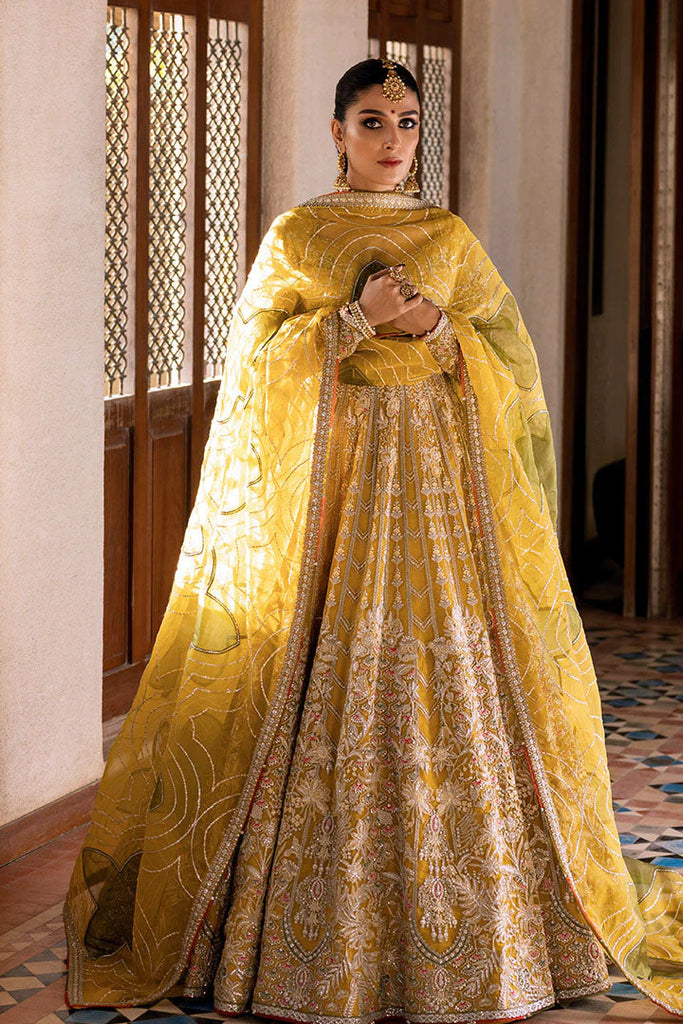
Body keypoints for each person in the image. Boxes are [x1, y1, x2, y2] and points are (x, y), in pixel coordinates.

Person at [64, 57, 683, 1021]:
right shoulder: (299, 235)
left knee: (460, 667)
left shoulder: (447, 236)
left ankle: (507, 927)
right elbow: (254, 365)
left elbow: (506, 352)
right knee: (325, 663)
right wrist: (353, 321)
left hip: (440, 494)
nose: (392, 139)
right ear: (336, 131)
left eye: (406, 122)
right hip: (336, 494)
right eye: (370, 121)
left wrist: (436, 326)